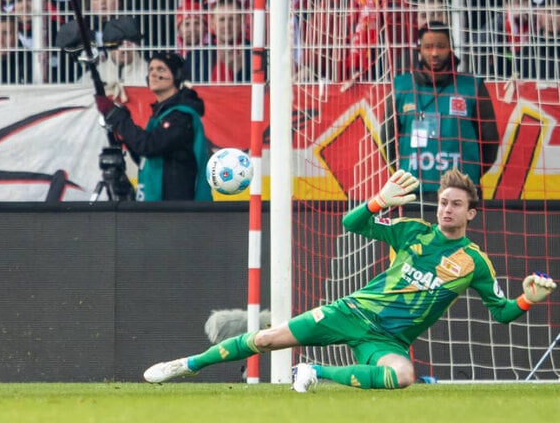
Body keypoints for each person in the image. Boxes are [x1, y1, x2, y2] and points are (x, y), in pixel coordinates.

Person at [144, 169, 557, 390]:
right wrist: (379, 200)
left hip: (388, 342)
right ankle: (187, 364)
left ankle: (315, 372)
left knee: (403, 376)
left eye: (456, 205)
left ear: (472, 214)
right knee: (268, 339)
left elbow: (502, 313)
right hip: (352, 311)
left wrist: (527, 300)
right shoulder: (412, 230)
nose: (446, 209)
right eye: (443, 202)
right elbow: (352, 222)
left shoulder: (474, 262)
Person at [382, 22, 500, 194]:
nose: (435, 53)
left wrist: (470, 174)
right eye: (428, 47)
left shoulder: (472, 87)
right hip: (412, 192)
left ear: (450, 48)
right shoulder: (400, 87)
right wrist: (406, 172)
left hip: (462, 190)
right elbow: (388, 139)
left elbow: (490, 142)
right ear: (419, 50)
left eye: (441, 46)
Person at [94, 51, 212, 201]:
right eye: (151, 70)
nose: (154, 74)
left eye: (161, 69)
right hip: (165, 206)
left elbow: (149, 146)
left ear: (177, 75)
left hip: (177, 209)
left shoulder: (181, 117)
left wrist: (118, 118)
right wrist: (123, 128)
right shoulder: (162, 115)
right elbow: (146, 159)